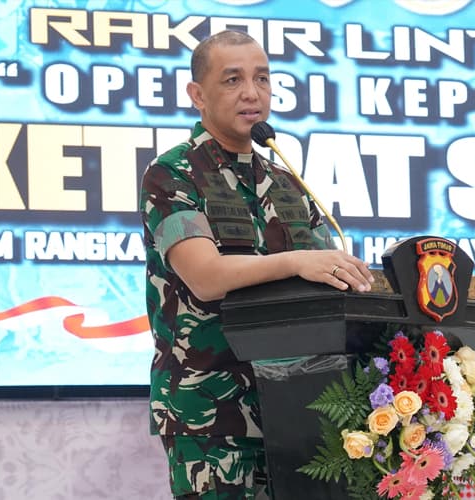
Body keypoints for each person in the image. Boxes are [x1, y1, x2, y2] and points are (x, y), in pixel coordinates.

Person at [139, 29, 374, 500]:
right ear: (197, 95)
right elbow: (206, 278)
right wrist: (297, 261)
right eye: (233, 80)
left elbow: (329, 281)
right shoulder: (173, 174)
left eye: (262, 78)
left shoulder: (287, 183)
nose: (252, 92)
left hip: (302, 410)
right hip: (212, 412)